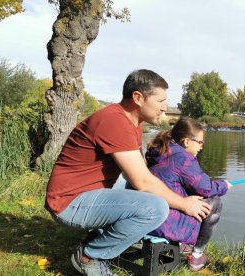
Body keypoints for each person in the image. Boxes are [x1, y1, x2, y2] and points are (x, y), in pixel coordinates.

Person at [45, 69, 211, 276]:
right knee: (156, 207)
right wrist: (183, 203)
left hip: (87, 196)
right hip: (69, 203)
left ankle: (98, 240)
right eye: (160, 100)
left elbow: (138, 174)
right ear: (138, 98)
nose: (164, 107)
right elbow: (142, 181)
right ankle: (90, 256)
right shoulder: (114, 120)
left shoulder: (132, 124)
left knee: (146, 196)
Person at [144, 117, 233, 271]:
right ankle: (197, 256)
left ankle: (185, 247)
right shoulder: (184, 158)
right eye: (200, 142)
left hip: (147, 216)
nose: (202, 147)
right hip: (165, 223)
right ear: (186, 142)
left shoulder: (159, 152)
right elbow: (206, 188)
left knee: (197, 198)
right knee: (215, 202)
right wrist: (223, 185)